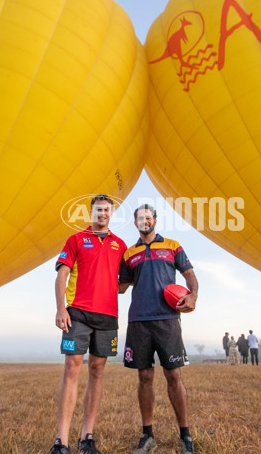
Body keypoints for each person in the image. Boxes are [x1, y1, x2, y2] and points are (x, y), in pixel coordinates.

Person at [50, 194, 127, 454]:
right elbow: (62, 276)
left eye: (106, 210)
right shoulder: (76, 239)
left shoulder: (121, 245)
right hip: (78, 313)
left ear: (111, 213)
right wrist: (61, 308)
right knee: (72, 369)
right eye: (98, 210)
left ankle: (87, 437)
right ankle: (62, 441)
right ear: (91, 212)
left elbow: (125, 282)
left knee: (97, 371)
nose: (102, 214)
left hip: (107, 316)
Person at [119, 204, 198, 454]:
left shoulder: (173, 246)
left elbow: (190, 276)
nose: (145, 221)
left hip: (167, 319)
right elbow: (121, 287)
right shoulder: (129, 254)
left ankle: (185, 437)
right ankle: (147, 435)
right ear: (136, 223)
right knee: (144, 378)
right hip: (139, 320)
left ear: (154, 220)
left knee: (173, 376)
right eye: (140, 218)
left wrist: (193, 295)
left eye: (148, 217)